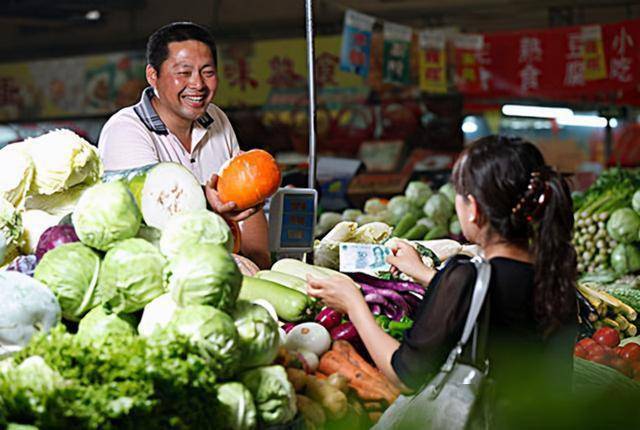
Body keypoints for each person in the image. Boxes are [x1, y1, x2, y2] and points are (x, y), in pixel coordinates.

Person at [307, 135, 578, 428]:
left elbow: (404, 375)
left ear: (473, 208)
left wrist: (354, 304)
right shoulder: (556, 275)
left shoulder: (466, 276)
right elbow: (498, 308)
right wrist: (423, 274)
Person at [98, 22, 270, 268]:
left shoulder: (217, 119)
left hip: (220, 266)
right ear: (152, 76)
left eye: (207, 72)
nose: (198, 84)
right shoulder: (126, 129)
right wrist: (209, 200)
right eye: (183, 73)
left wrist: (261, 269)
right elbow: (154, 209)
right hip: (156, 271)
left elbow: (246, 200)